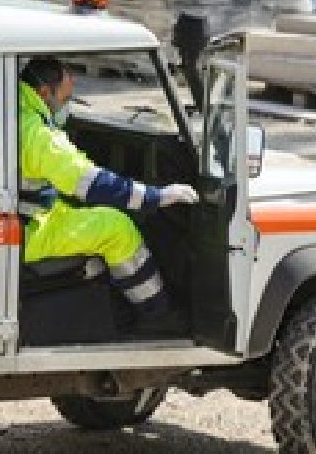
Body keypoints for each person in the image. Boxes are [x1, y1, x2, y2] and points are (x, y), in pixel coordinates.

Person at [18, 56, 199, 324]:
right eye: (65, 99)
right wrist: (156, 197)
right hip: (26, 230)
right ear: (44, 92)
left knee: (84, 210)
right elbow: (92, 183)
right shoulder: (39, 136)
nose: (66, 107)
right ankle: (158, 314)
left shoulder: (6, 106)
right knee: (118, 229)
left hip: (20, 216)